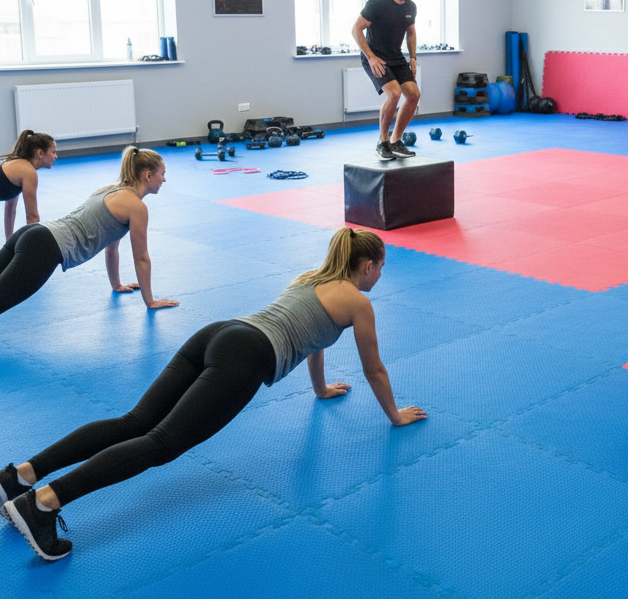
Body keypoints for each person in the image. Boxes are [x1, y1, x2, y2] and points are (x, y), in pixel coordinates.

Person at [1, 228, 426, 561]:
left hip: (220, 332)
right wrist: (394, 415)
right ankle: (42, 505)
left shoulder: (311, 278)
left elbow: (313, 341)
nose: (381, 276)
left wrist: (320, 389)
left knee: (134, 422)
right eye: (381, 268)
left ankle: (19, 477)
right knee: (162, 443)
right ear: (367, 265)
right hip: (247, 356)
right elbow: (374, 369)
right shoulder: (358, 303)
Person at [0, 145, 178, 317]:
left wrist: (116, 285)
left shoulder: (113, 189)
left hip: (32, 233)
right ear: (148, 175)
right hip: (43, 247)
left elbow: (111, 247)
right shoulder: (136, 207)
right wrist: (150, 301)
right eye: (162, 174)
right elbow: (141, 258)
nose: (164, 179)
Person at [351, 0, 419, 161]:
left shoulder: (410, 7)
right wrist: (371, 57)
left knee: (414, 95)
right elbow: (356, 29)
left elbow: (411, 32)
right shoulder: (377, 4)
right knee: (394, 93)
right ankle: (382, 142)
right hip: (376, 58)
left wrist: (413, 57)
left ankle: (396, 140)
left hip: (396, 57)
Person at [1, 129, 57, 240]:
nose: (56, 156)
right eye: (54, 152)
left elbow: (10, 208)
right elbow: (32, 216)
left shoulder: (19, 167)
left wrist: (9, 241)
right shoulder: (28, 172)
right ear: (40, 153)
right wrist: (31, 249)